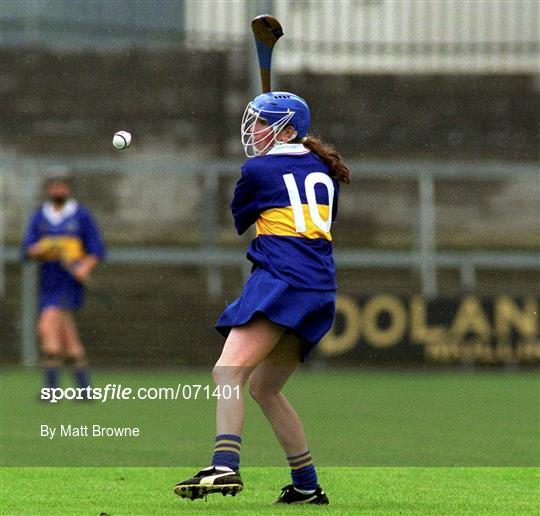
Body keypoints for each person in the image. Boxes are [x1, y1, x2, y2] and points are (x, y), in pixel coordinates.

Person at [174, 92, 350, 505]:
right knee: (264, 388)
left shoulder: (257, 169)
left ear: (287, 130)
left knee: (227, 372)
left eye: (261, 122)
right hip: (319, 287)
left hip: (281, 280)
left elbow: (240, 219)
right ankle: (307, 485)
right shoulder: (323, 169)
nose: (251, 130)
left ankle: (224, 465)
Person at [22, 175, 105, 399]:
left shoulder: (80, 215)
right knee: (68, 338)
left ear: (68, 189)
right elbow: (27, 250)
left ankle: (51, 391)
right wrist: (43, 248)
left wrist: (84, 267)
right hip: (48, 282)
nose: (58, 190)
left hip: (69, 285)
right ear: (48, 190)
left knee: (47, 327)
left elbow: (97, 249)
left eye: (62, 186)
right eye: (54, 186)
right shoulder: (40, 216)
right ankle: (85, 391)